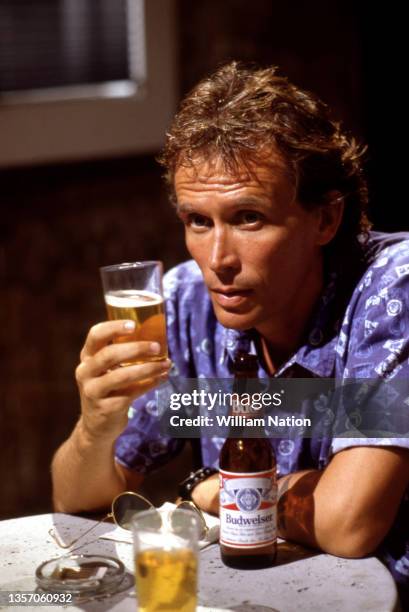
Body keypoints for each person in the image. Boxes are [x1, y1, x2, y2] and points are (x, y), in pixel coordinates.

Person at [51, 62, 409, 603]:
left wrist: (211, 490)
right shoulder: (182, 301)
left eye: (249, 218)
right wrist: (96, 427)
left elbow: (348, 524)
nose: (217, 260)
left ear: (325, 219)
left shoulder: (391, 288)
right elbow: (77, 502)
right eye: (198, 221)